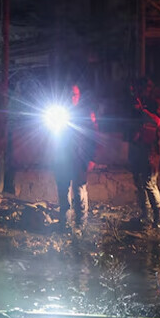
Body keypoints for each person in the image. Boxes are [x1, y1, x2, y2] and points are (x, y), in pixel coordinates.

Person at [49, 83, 99, 232]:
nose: (71, 98)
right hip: (62, 159)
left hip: (79, 159)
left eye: (74, 94)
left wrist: (92, 159)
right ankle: (64, 223)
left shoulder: (86, 113)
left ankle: (80, 224)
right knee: (63, 190)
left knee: (79, 192)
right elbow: (52, 138)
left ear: (78, 96)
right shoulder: (58, 114)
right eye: (68, 94)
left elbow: (94, 138)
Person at [126, 78, 160, 229]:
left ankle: (158, 217)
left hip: (151, 150)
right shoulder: (134, 105)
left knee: (149, 183)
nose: (141, 91)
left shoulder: (155, 103)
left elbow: (158, 121)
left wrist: (143, 110)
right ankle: (146, 215)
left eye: (144, 88)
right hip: (138, 148)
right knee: (139, 182)